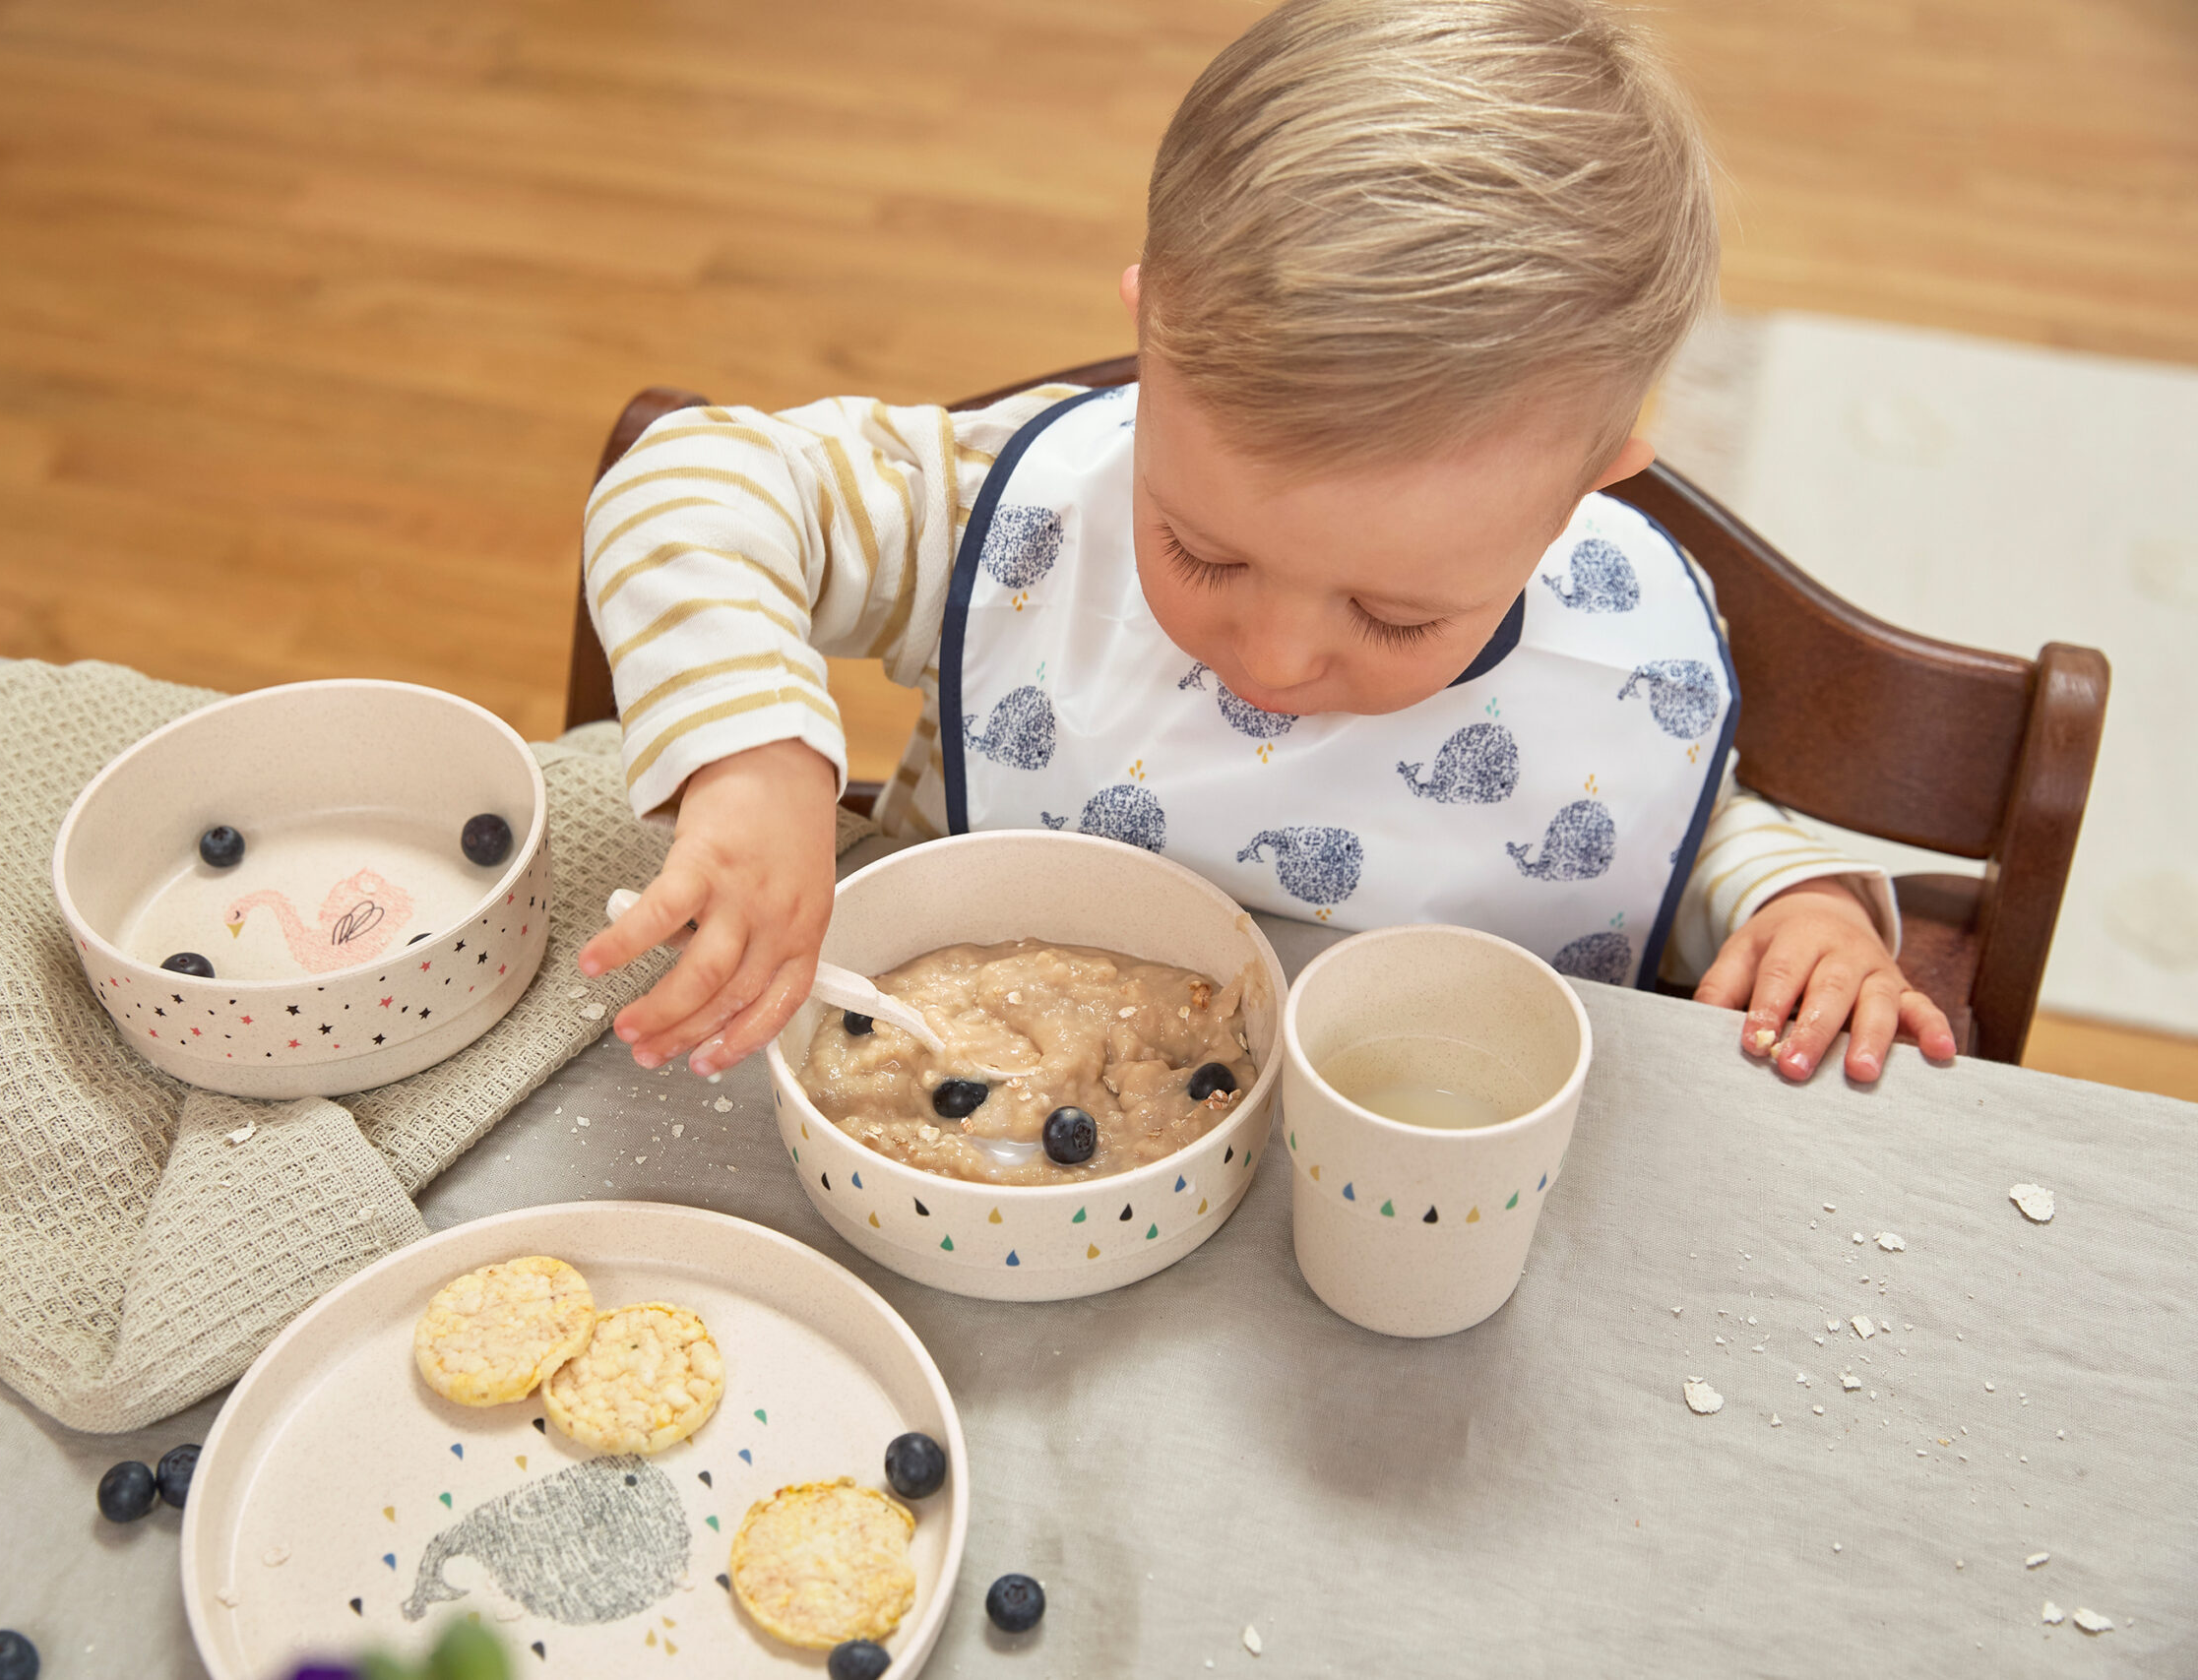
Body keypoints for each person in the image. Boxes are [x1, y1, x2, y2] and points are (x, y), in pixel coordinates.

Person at [576, 0, 1958, 1089]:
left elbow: (1669, 810)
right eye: (1201, 552)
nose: (1276, 658)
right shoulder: (1010, 508)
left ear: (1583, 494)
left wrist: (1801, 909)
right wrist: (753, 755)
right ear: (1152, 340)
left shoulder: (1622, 655)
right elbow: (685, 475)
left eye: (1396, 616)